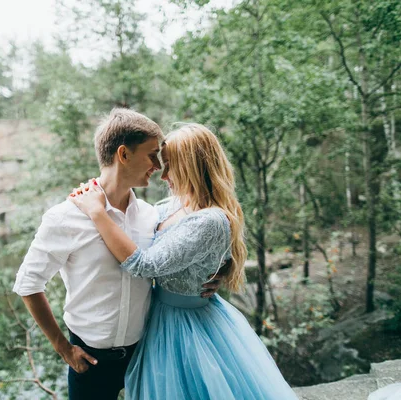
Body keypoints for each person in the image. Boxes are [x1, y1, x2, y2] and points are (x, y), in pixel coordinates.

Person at [69, 123, 299, 399]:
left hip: (186, 326)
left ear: (193, 167)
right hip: (158, 316)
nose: (163, 175)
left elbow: (145, 265)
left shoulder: (210, 219)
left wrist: (97, 213)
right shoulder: (173, 205)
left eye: (170, 166)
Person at [12, 110, 224, 400]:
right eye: (152, 155)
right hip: (89, 361)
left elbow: (199, 228)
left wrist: (221, 267)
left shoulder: (152, 215)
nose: (157, 166)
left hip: (148, 352)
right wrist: (63, 348)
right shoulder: (66, 217)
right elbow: (28, 284)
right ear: (123, 154)